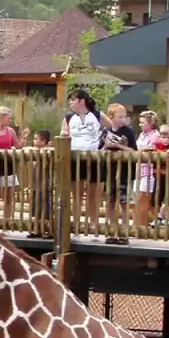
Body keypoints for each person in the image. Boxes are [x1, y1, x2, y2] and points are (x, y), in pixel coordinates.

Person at [60, 87, 113, 235]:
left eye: (73, 100)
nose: (70, 103)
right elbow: (63, 133)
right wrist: (64, 134)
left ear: (81, 101)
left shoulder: (96, 114)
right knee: (76, 194)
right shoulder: (69, 117)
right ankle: (76, 225)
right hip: (76, 157)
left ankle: (93, 225)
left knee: (93, 195)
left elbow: (111, 127)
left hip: (94, 157)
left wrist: (104, 141)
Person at [100, 103, 137, 245]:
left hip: (124, 173)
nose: (123, 119)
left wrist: (119, 146)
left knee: (124, 203)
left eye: (124, 117)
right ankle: (112, 230)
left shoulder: (128, 132)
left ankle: (124, 232)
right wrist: (106, 146)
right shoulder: (105, 132)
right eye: (120, 116)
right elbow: (99, 152)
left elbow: (134, 151)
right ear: (111, 117)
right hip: (109, 173)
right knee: (110, 202)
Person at [0, 106, 21, 222]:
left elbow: (18, 146)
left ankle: (7, 221)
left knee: (8, 197)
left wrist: (24, 139)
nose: (9, 120)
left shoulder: (10, 131)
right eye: (8, 118)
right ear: (1, 117)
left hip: (8, 166)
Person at [134, 110, 161, 229]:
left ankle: (142, 225)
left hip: (149, 171)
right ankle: (139, 224)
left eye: (142, 122)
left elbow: (150, 149)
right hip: (138, 170)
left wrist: (138, 151)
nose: (140, 125)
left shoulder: (155, 135)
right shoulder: (141, 135)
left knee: (144, 199)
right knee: (137, 199)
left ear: (150, 123)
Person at [27, 130, 52, 239]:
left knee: (45, 209)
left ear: (43, 141)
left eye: (36, 139)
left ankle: (48, 230)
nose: (34, 141)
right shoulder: (35, 153)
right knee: (34, 209)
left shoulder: (46, 153)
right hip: (35, 186)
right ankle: (36, 229)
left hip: (44, 186)